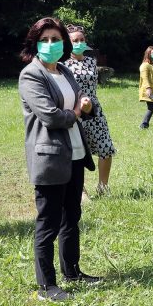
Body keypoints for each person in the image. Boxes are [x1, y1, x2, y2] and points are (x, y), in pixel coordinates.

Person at [18, 17, 103, 301]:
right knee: (48, 223)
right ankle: (46, 286)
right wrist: (78, 111)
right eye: (45, 40)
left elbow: (79, 100)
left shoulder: (64, 70)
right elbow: (51, 117)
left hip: (75, 154)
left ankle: (73, 271)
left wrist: (86, 106)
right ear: (35, 44)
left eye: (56, 39)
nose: (51, 44)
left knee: (72, 217)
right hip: (50, 158)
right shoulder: (31, 75)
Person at [64, 25, 116, 196]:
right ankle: (81, 191)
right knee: (77, 153)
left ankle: (103, 187)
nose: (79, 43)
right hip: (75, 111)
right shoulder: (63, 64)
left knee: (106, 148)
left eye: (81, 40)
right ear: (68, 43)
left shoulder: (91, 61)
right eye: (75, 40)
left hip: (94, 110)